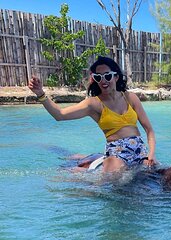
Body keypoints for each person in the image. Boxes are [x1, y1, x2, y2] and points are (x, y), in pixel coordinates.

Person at [28, 56, 156, 173]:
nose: (103, 81)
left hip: (140, 152)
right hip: (117, 154)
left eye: (107, 76)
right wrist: (40, 94)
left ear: (116, 77)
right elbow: (60, 115)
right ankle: (80, 174)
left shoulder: (131, 97)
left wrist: (151, 155)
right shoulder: (94, 104)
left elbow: (149, 130)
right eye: (98, 77)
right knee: (112, 183)